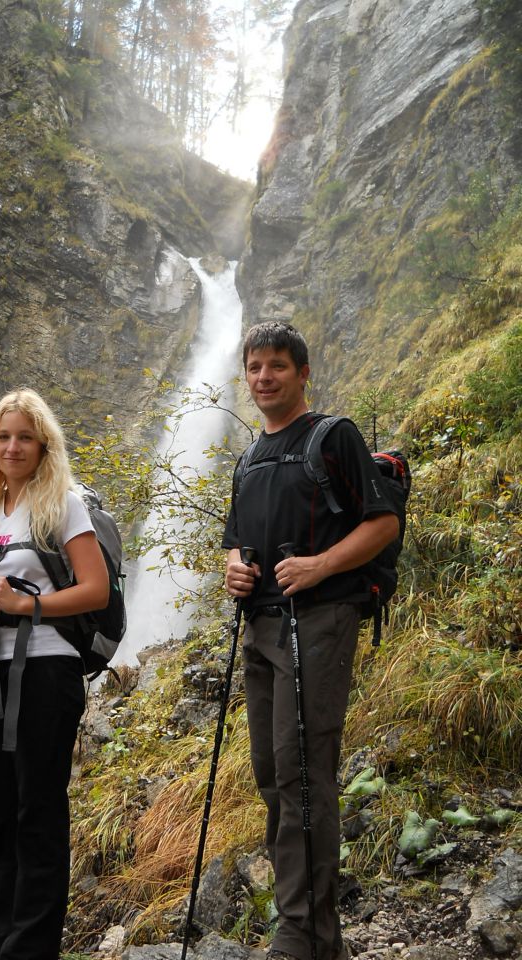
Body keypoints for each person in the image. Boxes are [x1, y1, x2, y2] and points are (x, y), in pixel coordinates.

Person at [222, 322, 399, 960]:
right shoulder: (247, 459)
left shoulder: (333, 437)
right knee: (273, 775)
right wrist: (235, 568)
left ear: (302, 374)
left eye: (277, 366)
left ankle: (306, 932)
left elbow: (383, 523)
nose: (264, 377)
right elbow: (235, 541)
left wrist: (320, 565)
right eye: (254, 367)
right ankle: (304, 919)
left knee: (303, 773)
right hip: (261, 627)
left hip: (319, 619)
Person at [0, 388, 109, 960]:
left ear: (43, 444)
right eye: (3, 436)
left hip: (47, 669)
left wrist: (24, 606)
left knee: (37, 805)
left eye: (24, 436)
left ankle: (31, 946)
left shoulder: (62, 503)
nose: (13, 446)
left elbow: (93, 589)